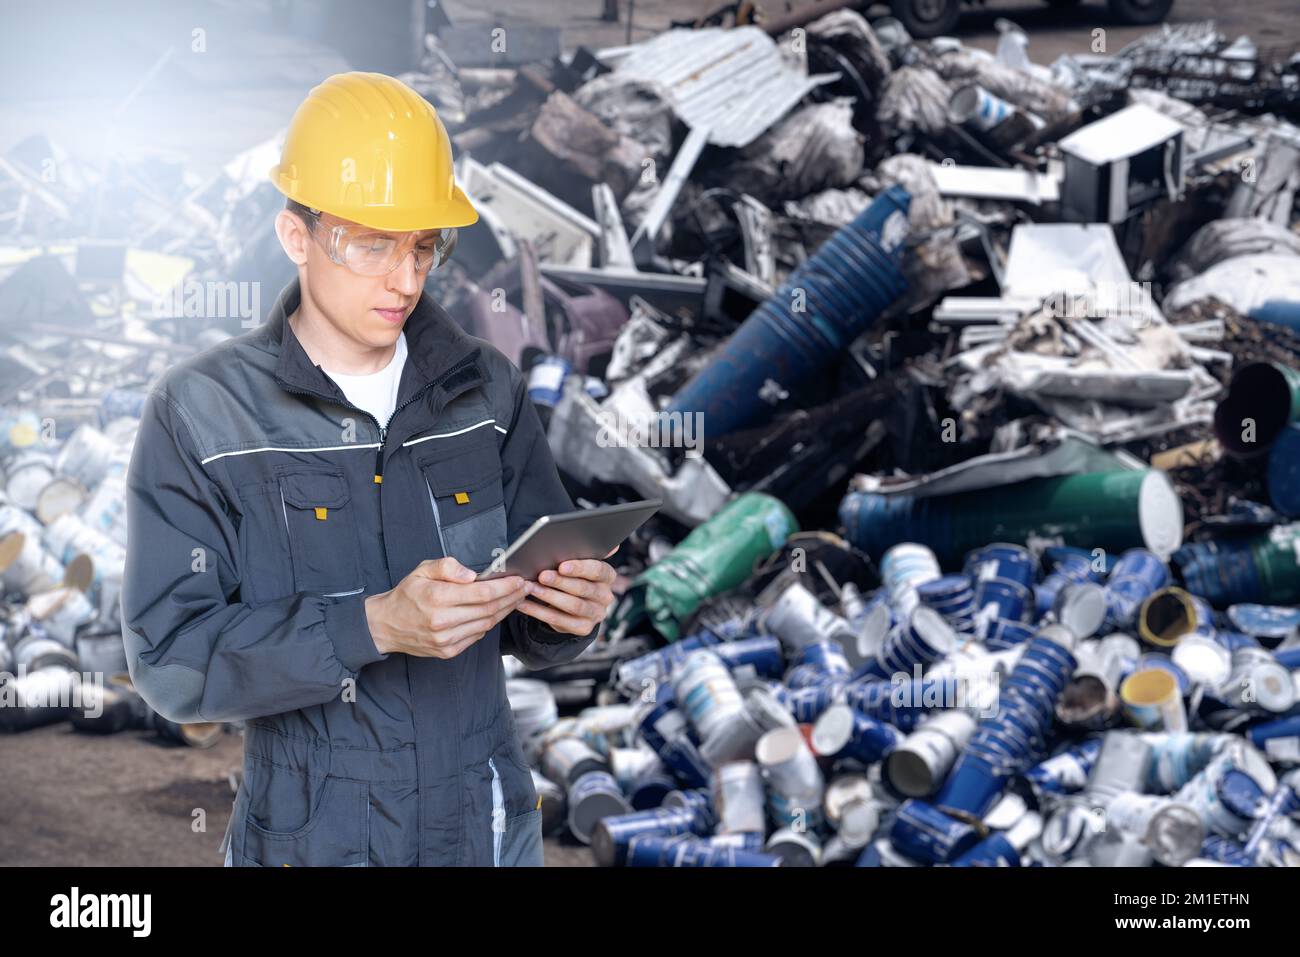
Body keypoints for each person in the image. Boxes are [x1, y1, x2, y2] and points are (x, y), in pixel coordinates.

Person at [120, 72, 616, 867]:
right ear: (296, 236)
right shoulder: (204, 413)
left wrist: (570, 610)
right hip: (316, 838)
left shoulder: (484, 389)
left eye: (424, 244)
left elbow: (528, 612)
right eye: (372, 243)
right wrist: (371, 625)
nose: (406, 278)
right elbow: (172, 660)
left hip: (481, 827)